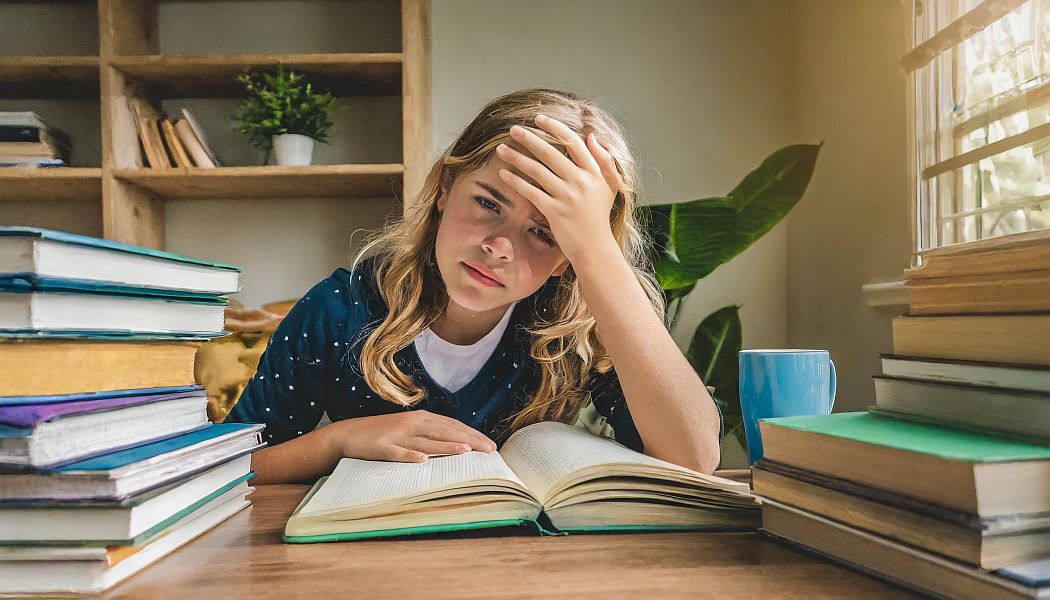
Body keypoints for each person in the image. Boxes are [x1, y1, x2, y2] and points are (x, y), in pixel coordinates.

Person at [226, 88, 723, 483]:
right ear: (444, 188)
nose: (501, 247)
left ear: (567, 260)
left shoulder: (575, 330)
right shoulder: (340, 308)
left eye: (544, 233)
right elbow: (229, 466)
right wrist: (342, 439)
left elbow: (694, 456)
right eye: (488, 203)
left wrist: (594, 247)